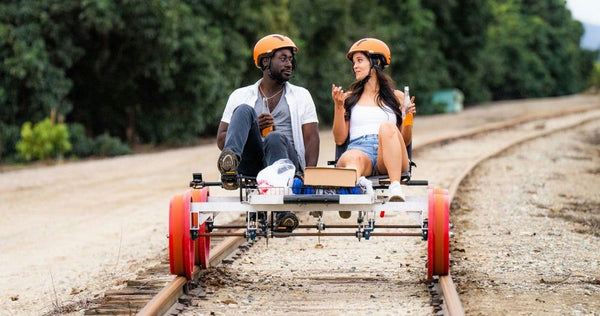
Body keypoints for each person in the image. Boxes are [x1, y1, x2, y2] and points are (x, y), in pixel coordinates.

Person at [216, 34, 320, 232]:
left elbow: (311, 137)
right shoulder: (240, 95)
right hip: (252, 163)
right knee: (244, 110)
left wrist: (309, 174)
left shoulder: (301, 95)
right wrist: (251, 126)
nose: (289, 64)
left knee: (274, 137)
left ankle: (281, 211)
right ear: (265, 61)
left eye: (290, 59)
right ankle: (229, 169)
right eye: (283, 58)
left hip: (286, 163)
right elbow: (221, 138)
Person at [331, 38, 416, 202]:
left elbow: (404, 141)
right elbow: (339, 138)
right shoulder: (349, 98)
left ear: (375, 62)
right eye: (354, 62)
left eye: (359, 60)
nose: (354, 66)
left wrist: (407, 118)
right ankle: (352, 188)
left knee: (387, 127)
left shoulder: (397, 97)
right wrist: (339, 106)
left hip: (391, 153)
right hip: (361, 150)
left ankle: (395, 187)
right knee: (352, 158)